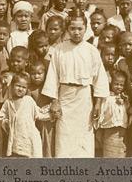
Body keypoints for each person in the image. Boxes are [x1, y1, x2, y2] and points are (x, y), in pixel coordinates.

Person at [42, 9, 109, 158]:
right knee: (64, 139)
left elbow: (99, 80)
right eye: (72, 28)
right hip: (65, 97)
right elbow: (53, 77)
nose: (76, 32)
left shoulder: (91, 51)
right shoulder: (59, 50)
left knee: (84, 138)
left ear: (86, 28)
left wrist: (97, 104)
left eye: (80, 28)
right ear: (67, 29)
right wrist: (55, 101)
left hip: (84, 99)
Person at [0, 72, 49, 158]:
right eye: (18, 86)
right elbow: (1, 116)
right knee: (17, 158)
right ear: (12, 86)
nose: (20, 89)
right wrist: (5, 123)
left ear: (26, 89)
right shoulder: (8, 102)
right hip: (16, 139)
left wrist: (51, 114)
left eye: (24, 87)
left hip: (30, 139)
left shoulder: (28, 100)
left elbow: (39, 114)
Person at [94, 70, 129, 158]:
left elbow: (128, 111)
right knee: (109, 152)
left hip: (121, 130)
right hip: (109, 129)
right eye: (116, 84)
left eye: (121, 85)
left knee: (120, 151)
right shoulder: (107, 97)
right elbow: (102, 112)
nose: (119, 87)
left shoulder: (124, 97)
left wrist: (125, 101)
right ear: (111, 83)